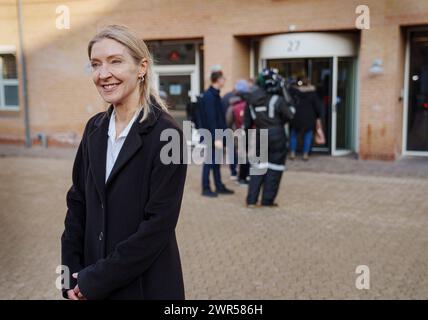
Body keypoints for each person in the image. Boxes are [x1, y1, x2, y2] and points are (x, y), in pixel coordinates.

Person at [61, 25, 187, 300]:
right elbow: (77, 203)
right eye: (96, 64)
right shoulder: (94, 128)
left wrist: (95, 279)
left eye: (115, 61)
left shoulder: (168, 135)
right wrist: (69, 272)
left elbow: (158, 226)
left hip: (143, 286)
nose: (103, 74)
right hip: (90, 282)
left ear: (141, 67)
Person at [244, 69, 294, 207]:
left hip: (260, 134)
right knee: (275, 167)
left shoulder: (251, 99)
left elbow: (247, 123)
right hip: (277, 134)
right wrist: (285, 90)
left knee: (258, 167)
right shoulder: (278, 99)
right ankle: (267, 200)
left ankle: (251, 200)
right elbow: (291, 114)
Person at [198, 70, 234, 197]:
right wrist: (216, 138)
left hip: (216, 134)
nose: (225, 80)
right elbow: (211, 119)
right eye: (223, 78)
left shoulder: (215, 95)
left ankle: (218, 186)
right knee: (209, 161)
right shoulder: (209, 96)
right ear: (218, 80)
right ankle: (206, 188)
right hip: (212, 135)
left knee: (216, 161)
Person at [288, 76, 322, 161]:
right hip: (309, 117)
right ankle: (305, 154)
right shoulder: (313, 93)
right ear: (309, 83)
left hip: (296, 116)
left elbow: (289, 100)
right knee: (308, 135)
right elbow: (317, 107)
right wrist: (318, 116)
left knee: (294, 135)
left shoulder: (295, 92)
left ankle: (292, 153)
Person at [225, 80, 251, 185]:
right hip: (248, 134)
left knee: (235, 154)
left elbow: (228, 120)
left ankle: (234, 173)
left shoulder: (230, 102)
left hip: (235, 133)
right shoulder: (250, 102)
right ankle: (245, 175)